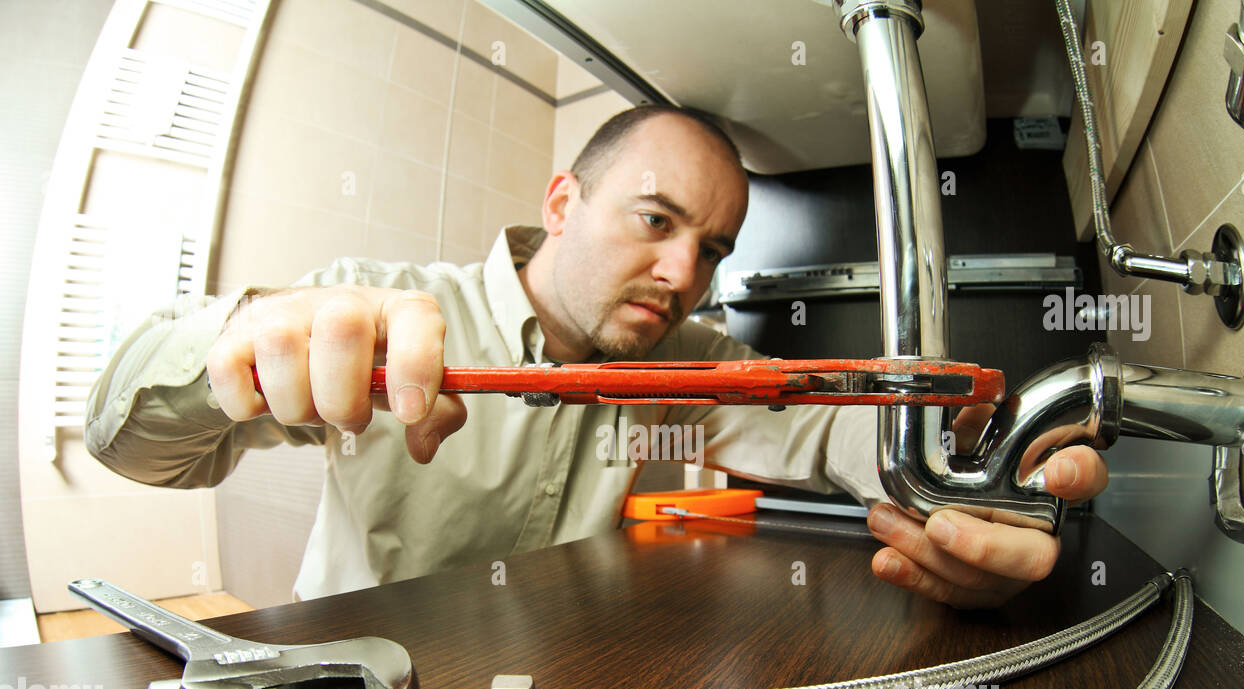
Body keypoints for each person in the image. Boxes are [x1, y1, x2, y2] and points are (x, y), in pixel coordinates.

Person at [85, 106, 1107, 608]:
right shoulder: (392, 312)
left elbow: (821, 428)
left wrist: (955, 461)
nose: (683, 273)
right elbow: (129, 446)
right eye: (655, 221)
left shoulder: (690, 359)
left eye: (711, 249)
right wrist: (232, 352)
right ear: (563, 204)